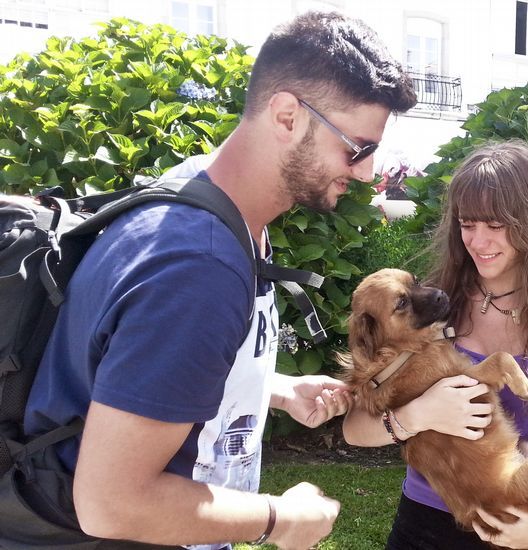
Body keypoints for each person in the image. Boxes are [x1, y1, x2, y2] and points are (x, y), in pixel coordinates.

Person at [23, 11, 416, 550]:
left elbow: (134, 368)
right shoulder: (198, 264)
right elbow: (112, 503)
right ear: (287, 116)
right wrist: (281, 517)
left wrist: (271, 389)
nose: (367, 172)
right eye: (358, 147)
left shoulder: (204, 198)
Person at [343, 140, 528, 549]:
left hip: (522, 519)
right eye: (468, 224)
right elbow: (356, 429)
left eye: (496, 224)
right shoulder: (432, 307)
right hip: (424, 526)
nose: (479, 241)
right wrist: (414, 416)